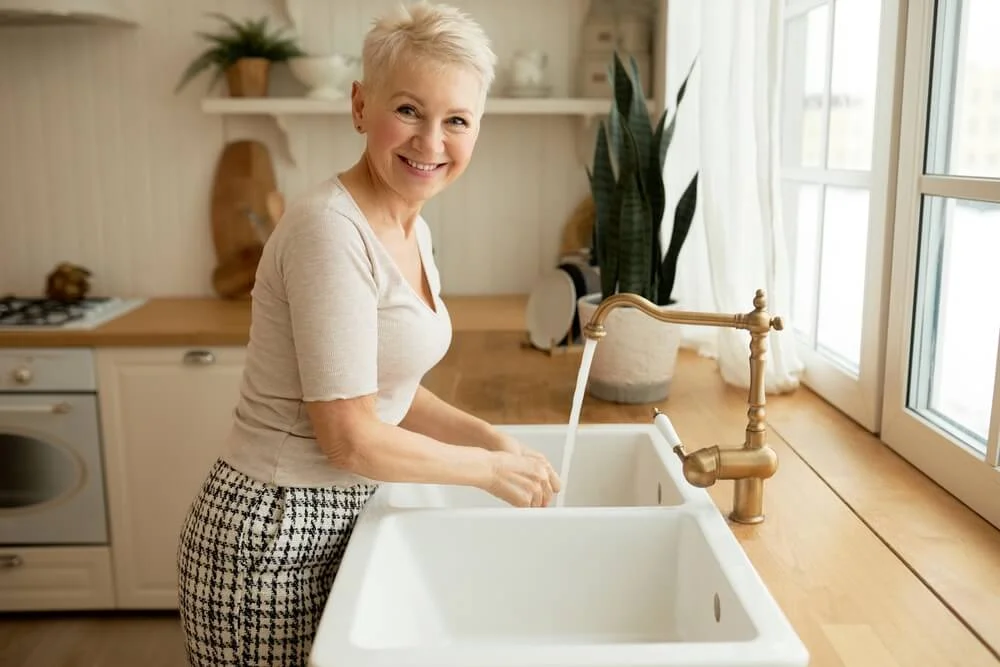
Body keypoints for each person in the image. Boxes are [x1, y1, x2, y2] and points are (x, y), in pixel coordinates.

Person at [175, 2, 561, 666]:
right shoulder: (330, 231)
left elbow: (387, 392)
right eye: (409, 110)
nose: (431, 142)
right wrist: (487, 469)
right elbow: (349, 435)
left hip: (336, 519)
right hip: (273, 537)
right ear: (360, 106)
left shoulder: (412, 228)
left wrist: (489, 438)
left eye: (457, 121)